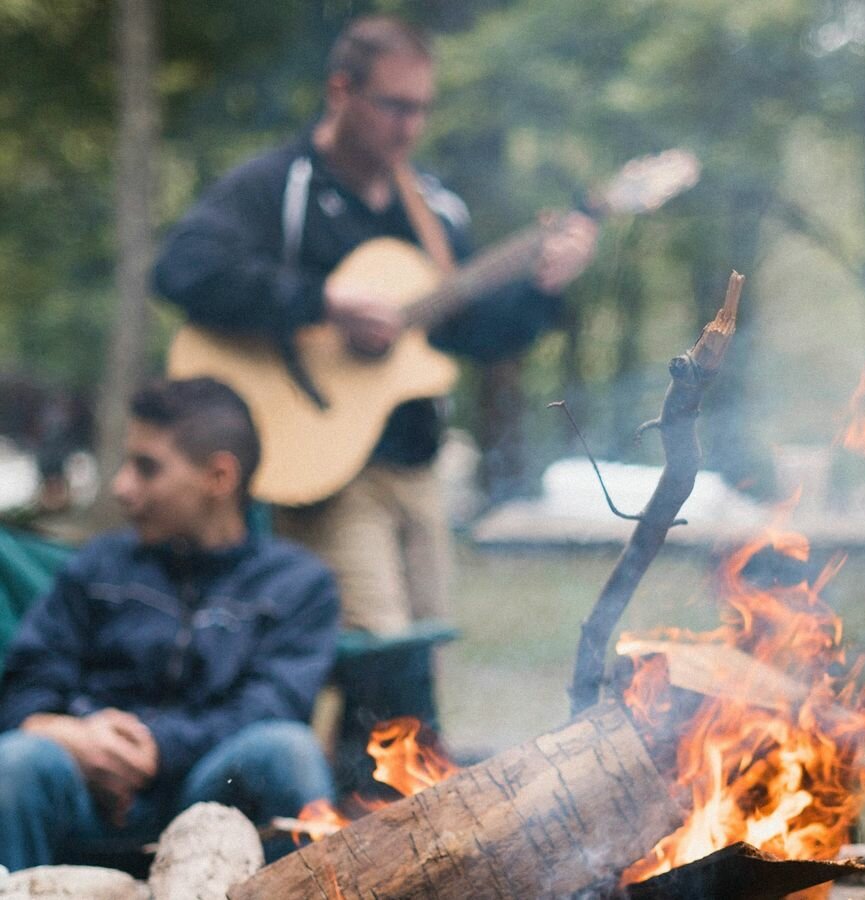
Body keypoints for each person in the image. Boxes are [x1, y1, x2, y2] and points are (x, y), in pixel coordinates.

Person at [153, 14, 597, 638]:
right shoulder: (279, 186)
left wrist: (542, 290)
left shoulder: (435, 210)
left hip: (417, 467)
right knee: (380, 649)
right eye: (394, 106)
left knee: (426, 650)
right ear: (341, 92)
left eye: (422, 109)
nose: (410, 126)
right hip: (323, 469)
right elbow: (182, 269)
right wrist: (321, 302)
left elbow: (471, 335)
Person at [0, 378, 338, 871]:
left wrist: (156, 747)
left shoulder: (299, 584)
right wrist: (70, 735)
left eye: (147, 468)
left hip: (211, 793)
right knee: (17, 761)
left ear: (219, 477)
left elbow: (272, 706)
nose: (121, 487)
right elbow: (26, 683)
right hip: (87, 792)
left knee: (288, 751)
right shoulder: (98, 565)